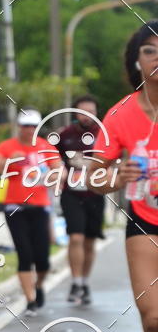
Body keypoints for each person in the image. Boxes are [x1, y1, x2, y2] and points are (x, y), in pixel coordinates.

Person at [88, 21, 158, 332]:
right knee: (153, 321)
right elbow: (94, 177)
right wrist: (117, 174)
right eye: (150, 51)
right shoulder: (120, 114)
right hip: (145, 223)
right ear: (137, 61)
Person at [0, 109, 62, 315]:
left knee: (42, 258)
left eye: (33, 126)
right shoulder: (7, 147)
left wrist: (55, 176)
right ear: (19, 126)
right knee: (25, 253)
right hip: (14, 206)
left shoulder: (45, 146)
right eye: (26, 126)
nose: (30, 130)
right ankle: (30, 301)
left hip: (40, 206)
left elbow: (60, 170)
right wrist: (9, 161)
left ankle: (39, 284)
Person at [57, 95, 105, 305]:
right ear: (75, 114)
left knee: (89, 241)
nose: (87, 117)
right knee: (75, 237)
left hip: (95, 193)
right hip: (72, 194)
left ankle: (84, 282)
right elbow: (52, 158)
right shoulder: (64, 135)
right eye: (83, 112)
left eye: (91, 112)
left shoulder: (104, 135)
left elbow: (114, 159)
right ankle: (75, 282)